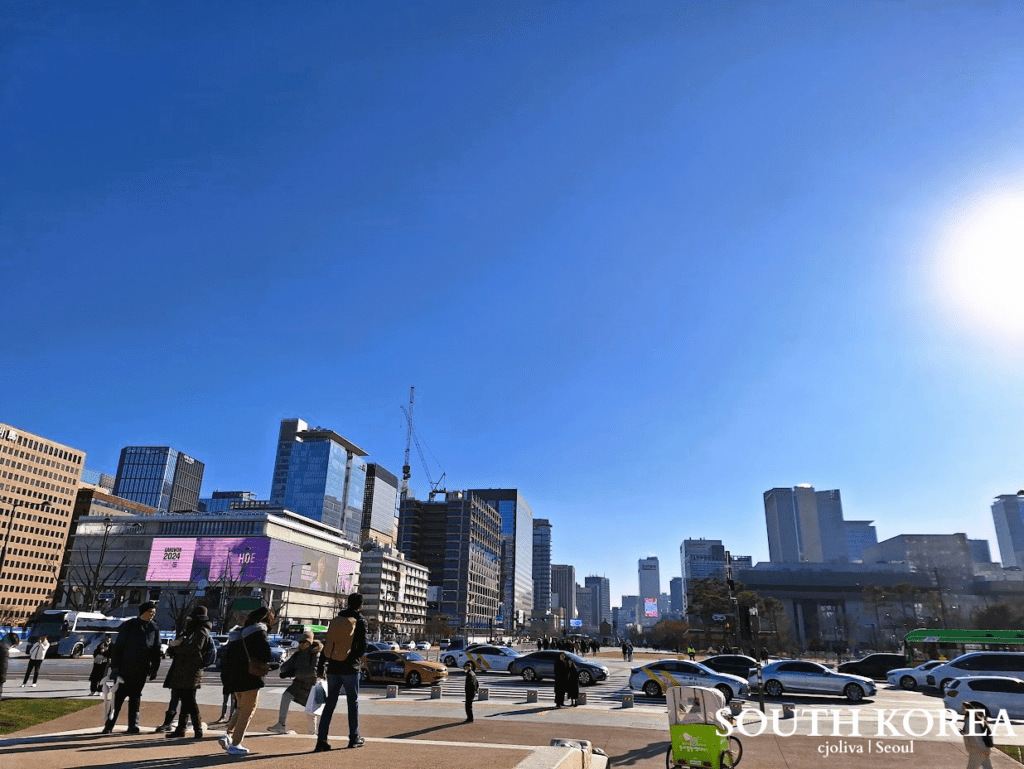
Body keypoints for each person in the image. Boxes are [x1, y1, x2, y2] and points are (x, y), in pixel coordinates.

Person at [314, 593, 368, 753]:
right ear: (360, 605)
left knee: (330, 703)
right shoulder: (360, 620)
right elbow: (363, 646)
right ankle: (354, 738)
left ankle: (321, 740)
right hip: (350, 668)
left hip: (333, 667)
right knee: (353, 703)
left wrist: (321, 665)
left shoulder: (337, 619)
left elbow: (328, 642)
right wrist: (353, 657)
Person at [219, 606, 274, 756]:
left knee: (241, 708)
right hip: (250, 676)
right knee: (248, 710)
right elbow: (265, 654)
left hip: (235, 676)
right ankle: (236, 743)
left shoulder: (238, 634)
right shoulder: (258, 633)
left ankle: (228, 735)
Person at [103, 602, 161, 734]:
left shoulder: (154, 628)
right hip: (125, 667)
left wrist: (154, 669)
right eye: (150, 612)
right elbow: (118, 648)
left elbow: (156, 650)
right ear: (142, 612)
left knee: (135, 697)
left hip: (142, 668)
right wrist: (115, 668)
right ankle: (109, 724)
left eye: (154, 613)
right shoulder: (129, 625)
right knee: (118, 697)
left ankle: (133, 725)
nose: (152, 615)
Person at [162, 605, 214, 740]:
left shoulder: (201, 631)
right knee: (186, 701)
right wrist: (173, 648)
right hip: (184, 670)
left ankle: (197, 729)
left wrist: (177, 647)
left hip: (191, 670)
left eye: (192, 617)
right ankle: (182, 728)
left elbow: (195, 649)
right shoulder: (190, 631)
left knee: (189, 700)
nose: (189, 619)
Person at [267, 630, 323, 735]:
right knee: (286, 696)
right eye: (300, 642)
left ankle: (313, 733)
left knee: (311, 712)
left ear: (310, 642)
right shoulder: (298, 654)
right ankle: (281, 725)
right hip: (298, 685)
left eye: (304, 642)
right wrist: (285, 669)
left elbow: (312, 672)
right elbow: (285, 667)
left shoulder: (315, 654)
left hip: (312, 687)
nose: (301, 644)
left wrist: (294, 672)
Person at [961, 701, 994, 769]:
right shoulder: (977, 719)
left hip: (977, 750)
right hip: (984, 748)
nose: (961, 709)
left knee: (971, 767)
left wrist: (979, 749)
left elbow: (974, 736)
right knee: (988, 767)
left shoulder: (969, 720)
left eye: (962, 708)